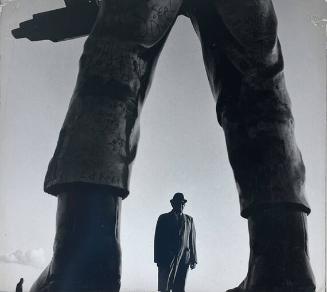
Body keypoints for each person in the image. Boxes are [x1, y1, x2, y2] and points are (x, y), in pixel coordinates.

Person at [25, 0, 316, 291]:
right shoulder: (171, 218)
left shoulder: (184, 219)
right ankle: (282, 261)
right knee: (255, 69)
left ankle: (81, 256)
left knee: (116, 61)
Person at [154, 193, 197, 292]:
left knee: (180, 288)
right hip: (166, 258)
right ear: (173, 204)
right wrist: (157, 259)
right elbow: (158, 240)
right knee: (165, 288)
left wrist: (193, 259)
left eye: (183, 203)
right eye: (178, 203)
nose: (181, 205)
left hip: (183, 259)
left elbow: (192, 240)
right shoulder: (163, 218)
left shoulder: (189, 220)